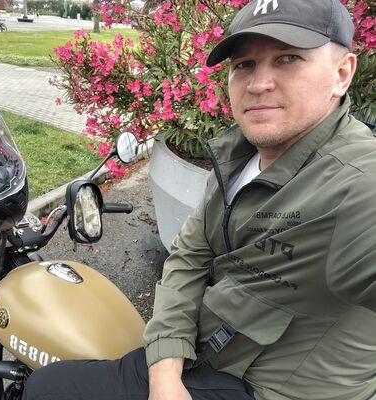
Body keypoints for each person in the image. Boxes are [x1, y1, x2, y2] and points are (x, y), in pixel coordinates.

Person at [22, 0, 376, 399]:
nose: (258, 84)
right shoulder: (240, 155)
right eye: (244, 64)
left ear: (342, 74)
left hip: (260, 387)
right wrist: (165, 370)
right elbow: (190, 255)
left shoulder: (358, 186)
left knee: (46, 389)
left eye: (288, 58)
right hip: (207, 357)